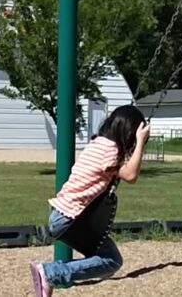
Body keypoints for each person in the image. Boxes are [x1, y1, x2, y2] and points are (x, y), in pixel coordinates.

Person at [29, 105, 150, 297]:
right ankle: (50, 273)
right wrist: (141, 141)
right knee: (111, 260)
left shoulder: (98, 143)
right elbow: (131, 175)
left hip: (61, 215)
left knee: (107, 257)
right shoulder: (110, 149)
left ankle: (48, 279)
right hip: (71, 219)